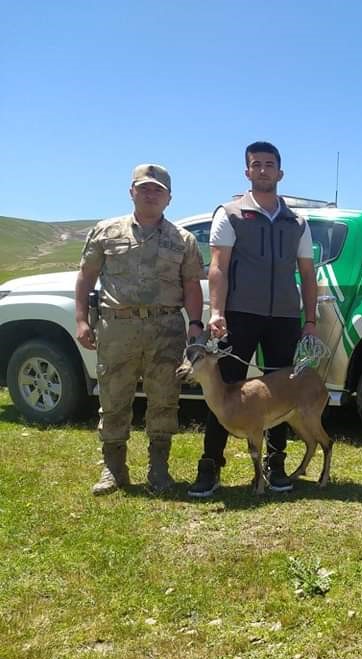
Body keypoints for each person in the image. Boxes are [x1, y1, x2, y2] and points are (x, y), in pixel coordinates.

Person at [187, 141, 318, 498]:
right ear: (247, 172)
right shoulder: (229, 213)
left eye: (269, 164)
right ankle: (210, 465)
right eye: (256, 164)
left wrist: (310, 320)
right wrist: (216, 312)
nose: (263, 169)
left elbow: (308, 274)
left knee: (279, 391)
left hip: (284, 317)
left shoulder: (298, 222)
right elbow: (218, 267)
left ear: (280, 172)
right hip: (238, 316)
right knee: (224, 388)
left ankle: (276, 466)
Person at [75, 164, 204, 495]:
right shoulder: (105, 232)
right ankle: (113, 470)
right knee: (114, 398)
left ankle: (158, 469)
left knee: (164, 400)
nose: (150, 194)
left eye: (157, 189)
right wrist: (81, 320)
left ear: (169, 198)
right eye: (144, 188)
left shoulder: (183, 240)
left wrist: (195, 325)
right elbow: (86, 276)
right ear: (131, 191)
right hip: (117, 327)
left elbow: (191, 284)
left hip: (166, 328)